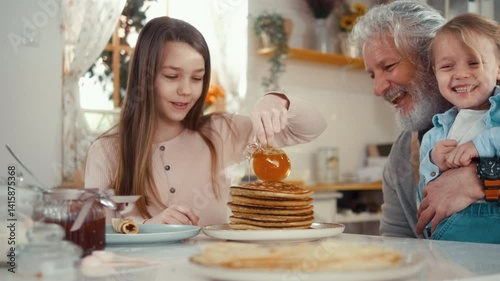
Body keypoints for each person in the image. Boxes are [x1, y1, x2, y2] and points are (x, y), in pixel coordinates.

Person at [84, 16, 327, 227]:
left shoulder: (220, 132)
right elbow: (97, 238)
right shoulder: (107, 151)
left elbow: (313, 127)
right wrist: (148, 227)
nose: (186, 90)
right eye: (172, 76)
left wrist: (276, 100)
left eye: (197, 78)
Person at [349, 0, 486, 238]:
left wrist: (481, 179)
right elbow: (397, 242)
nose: (378, 88)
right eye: (373, 75)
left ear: (431, 57)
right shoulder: (403, 152)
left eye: (388, 66)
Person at [417, 13, 500, 242]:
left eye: (474, 62)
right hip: (448, 243)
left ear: (498, 69)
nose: (461, 74)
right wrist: (433, 164)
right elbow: (425, 198)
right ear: (435, 74)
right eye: (446, 66)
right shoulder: (434, 135)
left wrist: (480, 145)